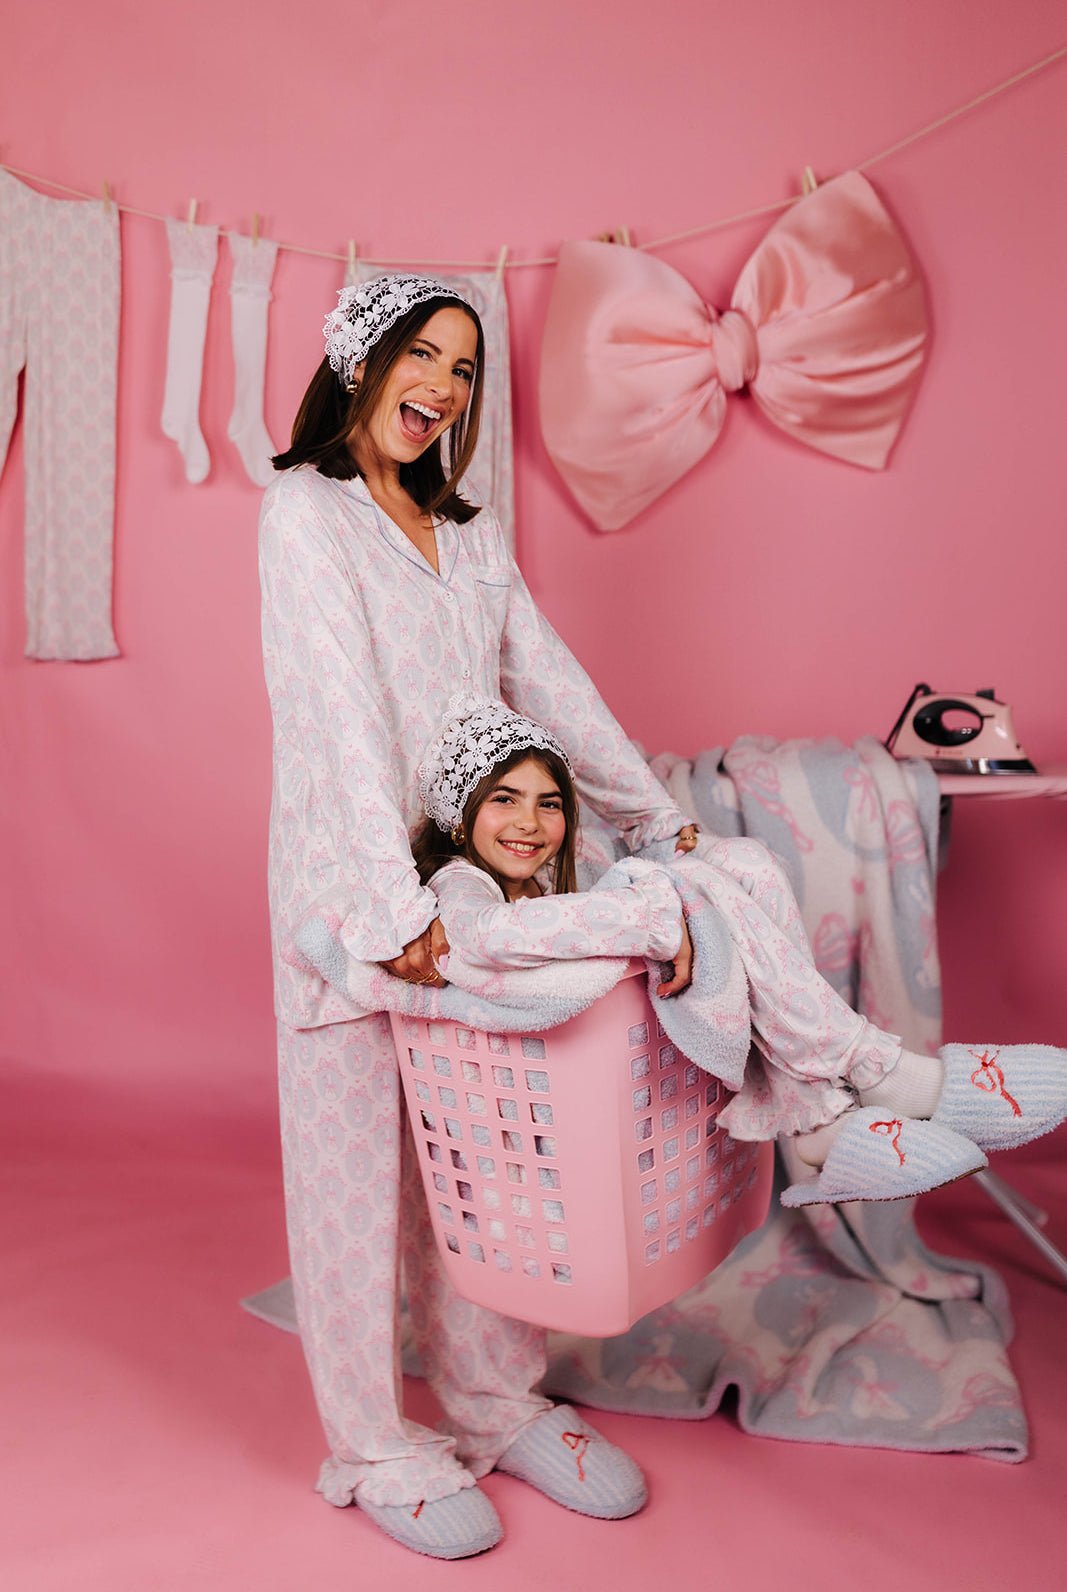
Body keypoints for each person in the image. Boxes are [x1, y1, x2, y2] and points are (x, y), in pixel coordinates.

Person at [259, 274, 700, 1561]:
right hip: (354, 907)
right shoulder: (305, 516)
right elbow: (333, 721)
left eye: (463, 368)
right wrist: (390, 912)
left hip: (478, 905)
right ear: (359, 359)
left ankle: (499, 1400)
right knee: (352, 1179)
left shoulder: (473, 531)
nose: (443, 387)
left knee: (489, 1162)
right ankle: (375, 1441)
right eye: (421, 355)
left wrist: (660, 821)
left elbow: (550, 687)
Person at [411, 695, 1067, 1208]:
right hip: (551, 1109)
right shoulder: (460, 881)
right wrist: (661, 910)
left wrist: (670, 884)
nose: (529, 822)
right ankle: (871, 1076)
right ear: (459, 814)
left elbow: (604, 896)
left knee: (742, 862)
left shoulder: (553, 871)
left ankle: (817, 1113)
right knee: (674, 885)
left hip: (642, 1071)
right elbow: (487, 936)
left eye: (548, 804)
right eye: (503, 801)